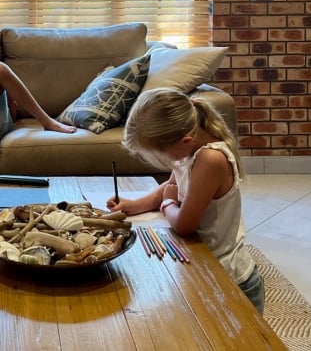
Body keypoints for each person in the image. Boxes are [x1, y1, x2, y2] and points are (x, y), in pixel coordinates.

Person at [106, 87, 265, 314]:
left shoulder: (210, 159)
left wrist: (168, 204)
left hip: (230, 279)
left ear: (185, 140)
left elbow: (183, 225)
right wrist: (133, 205)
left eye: (163, 156)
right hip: (204, 267)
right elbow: (170, 187)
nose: (167, 162)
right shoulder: (189, 149)